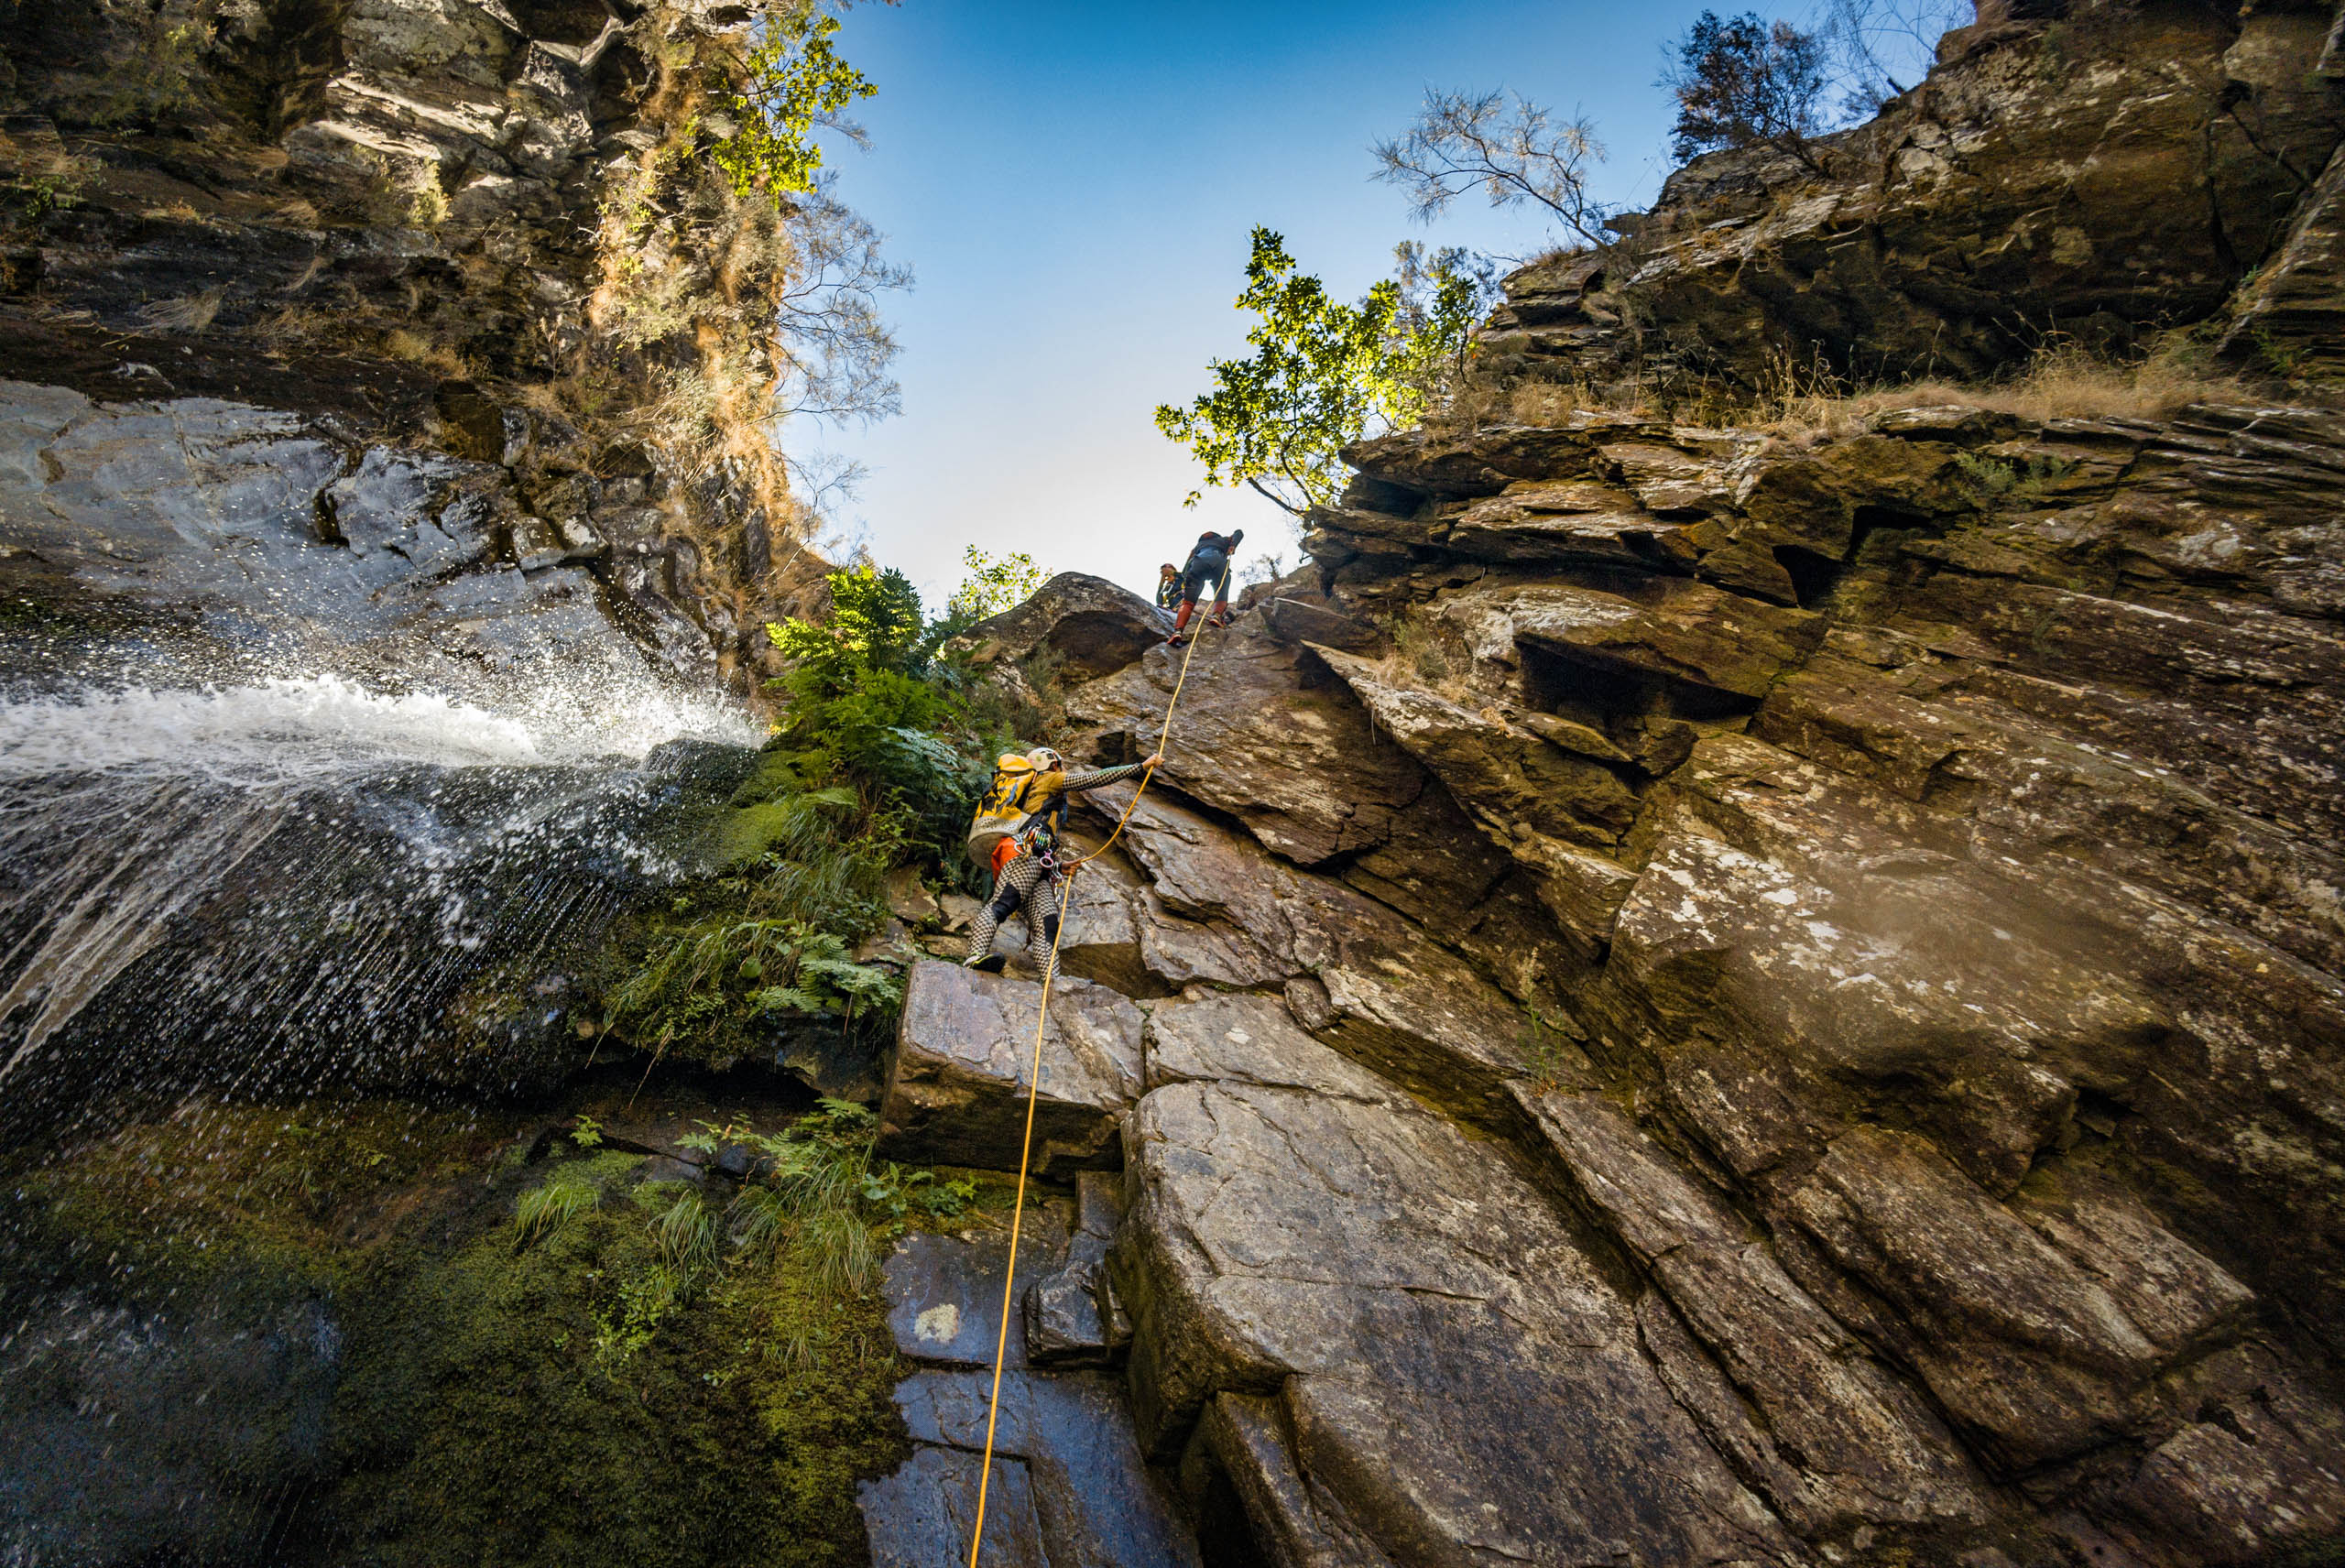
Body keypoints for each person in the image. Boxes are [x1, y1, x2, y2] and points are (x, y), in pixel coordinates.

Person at [963, 746, 1162, 978]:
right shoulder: (1050, 779)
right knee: (1003, 903)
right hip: (1025, 852)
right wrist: (1140, 767)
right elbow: (1092, 778)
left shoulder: (1038, 789)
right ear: (1053, 763)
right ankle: (974, 957)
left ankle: (1051, 980)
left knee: (1047, 924)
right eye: (1061, 764)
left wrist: (1057, 866)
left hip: (1037, 860)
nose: (1064, 768)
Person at [1165, 528, 1242, 647]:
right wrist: (1233, 545)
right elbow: (1239, 532)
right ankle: (1216, 616)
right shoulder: (1223, 540)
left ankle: (1177, 631)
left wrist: (1186, 581)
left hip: (1197, 564)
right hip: (1218, 563)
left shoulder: (1197, 547)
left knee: (1188, 603)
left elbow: (1187, 566)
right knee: (1221, 590)